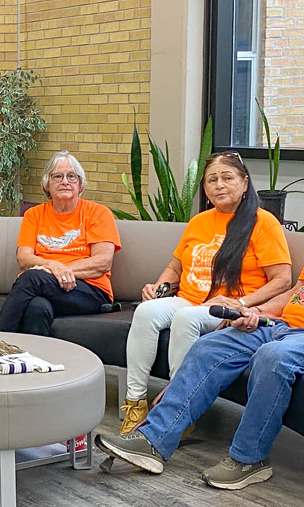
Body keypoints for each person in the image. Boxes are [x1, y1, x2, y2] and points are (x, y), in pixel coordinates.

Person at [96, 174, 304, 490]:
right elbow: (294, 295)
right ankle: (153, 441)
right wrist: (254, 313)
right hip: (283, 327)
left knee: (272, 357)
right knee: (211, 345)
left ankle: (249, 458)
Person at [120, 151, 292, 434]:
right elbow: (175, 268)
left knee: (187, 318)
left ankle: (178, 408)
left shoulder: (263, 223)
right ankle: (135, 400)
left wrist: (240, 302)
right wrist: (158, 287)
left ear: (245, 183)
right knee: (146, 311)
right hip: (188, 298)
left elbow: (282, 280)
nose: (219, 185)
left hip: (228, 309)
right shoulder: (200, 221)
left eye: (227, 178)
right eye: (212, 180)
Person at [0, 151, 121, 335]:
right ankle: (36, 363)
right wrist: (53, 267)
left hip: (89, 290)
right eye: (58, 176)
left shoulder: (98, 213)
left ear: (80, 184)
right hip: (46, 286)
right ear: (47, 184)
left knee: (30, 277)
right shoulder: (34, 214)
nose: (65, 181)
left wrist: (58, 271)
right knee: (37, 307)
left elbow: (102, 262)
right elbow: (23, 258)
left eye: (72, 176)